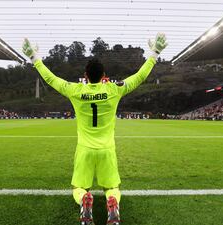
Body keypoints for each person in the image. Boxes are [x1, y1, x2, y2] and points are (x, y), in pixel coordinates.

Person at [22, 33, 167, 225]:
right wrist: (155, 53)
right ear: (104, 77)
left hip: (85, 149)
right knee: (112, 187)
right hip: (107, 149)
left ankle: (84, 199)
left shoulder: (76, 90)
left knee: (79, 187)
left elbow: (51, 79)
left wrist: (34, 58)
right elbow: (139, 77)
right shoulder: (114, 89)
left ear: (85, 76)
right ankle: (112, 203)